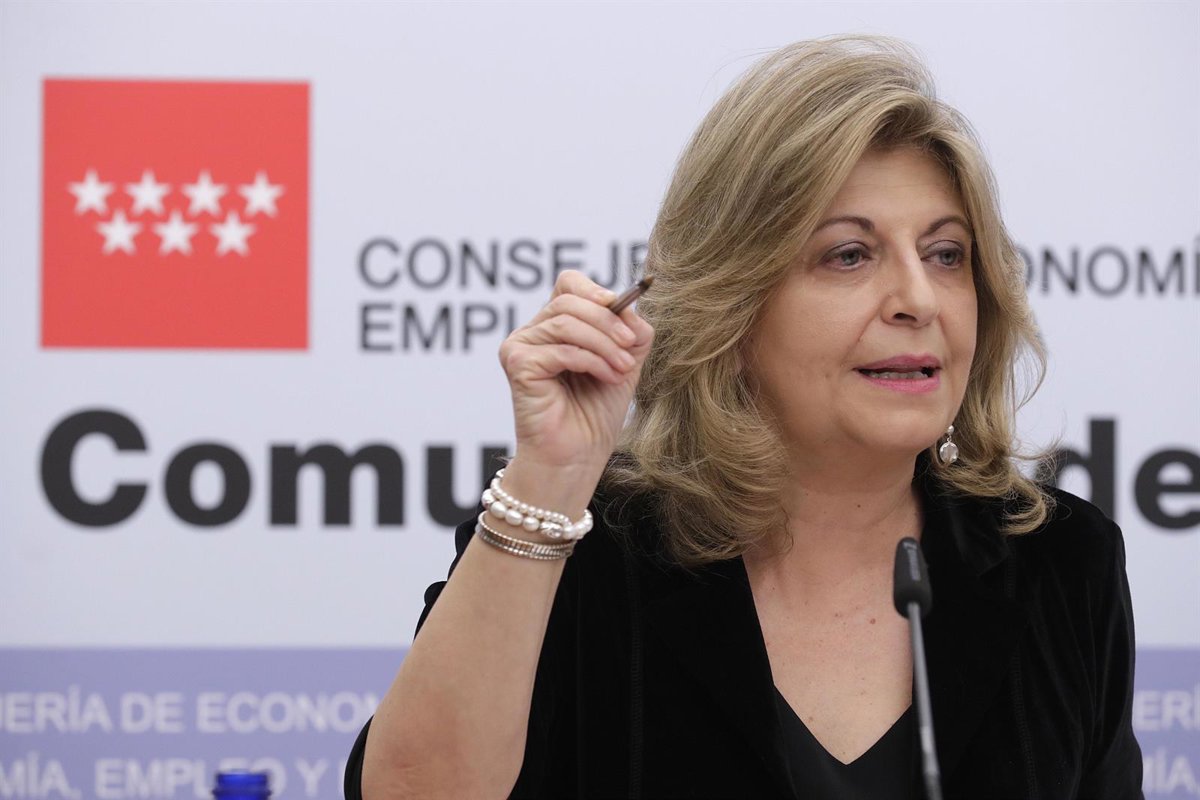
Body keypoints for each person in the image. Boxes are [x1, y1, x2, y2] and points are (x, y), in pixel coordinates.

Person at [346, 36, 1143, 799]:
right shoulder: (589, 557)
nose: (918, 299)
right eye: (848, 255)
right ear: (733, 306)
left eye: (946, 255)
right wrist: (550, 479)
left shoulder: (1060, 563)